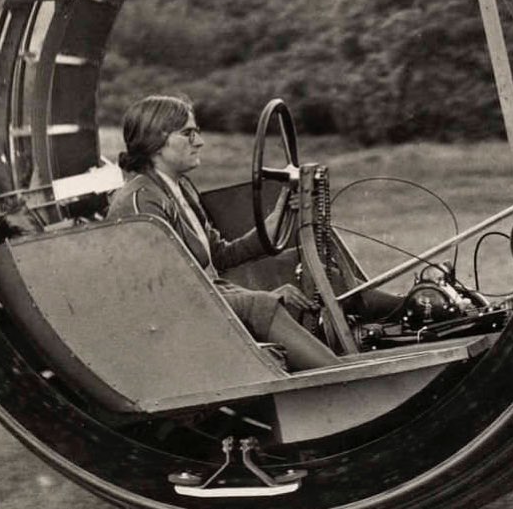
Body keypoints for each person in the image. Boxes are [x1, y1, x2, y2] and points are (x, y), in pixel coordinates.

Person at [107, 94, 341, 371]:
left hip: (206, 297)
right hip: (175, 316)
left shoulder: (179, 189)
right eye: (187, 133)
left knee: (306, 266)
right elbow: (169, 294)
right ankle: (340, 376)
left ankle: (392, 317)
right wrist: (259, 298)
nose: (200, 141)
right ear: (155, 141)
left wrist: (278, 217)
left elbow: (220, 256)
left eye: (197, 131)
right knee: (262, 307)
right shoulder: (140, 203)